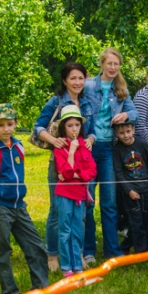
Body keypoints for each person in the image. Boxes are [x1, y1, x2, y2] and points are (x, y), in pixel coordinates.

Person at [0, 103, 49, 294]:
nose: (6, 129)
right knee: (3, 251)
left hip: (20, 206)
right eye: (1, 125)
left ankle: (41, 287)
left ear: (16, 123)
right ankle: (10, 292)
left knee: (35, 246)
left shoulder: (19, 146)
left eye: (10, 124)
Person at [33, 62, 95, 272]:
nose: (77, 82)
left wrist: (91, 140)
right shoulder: (56, 101)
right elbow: (38, 126)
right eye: (73, 78)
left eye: (80, 78)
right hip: (59, 163)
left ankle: (76, 254)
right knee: (57, 210)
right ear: (65, 81)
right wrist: (54, 139)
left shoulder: (87, 102)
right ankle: (53, 254)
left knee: (81, 208)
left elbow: (92, 129)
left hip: (83, 162)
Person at [83, 48, 138, 259]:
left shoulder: (121, 88)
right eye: (109, 64)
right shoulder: (88, 86)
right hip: (88, 149)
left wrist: (125, 113)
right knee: (88, 202)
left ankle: (112, 250)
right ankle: (88, 251)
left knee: (109, 202)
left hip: (108, 150)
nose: (113, 68)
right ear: (102, 64)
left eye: (116, 64)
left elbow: (135, 113)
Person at [53, 106, 98, 276]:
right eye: (70, 125)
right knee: (65, 230)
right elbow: (65, 172)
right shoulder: (60, 147)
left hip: (80, 194)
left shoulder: (85, 146)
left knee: (77, 229)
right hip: (64, 194)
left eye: (77, 125)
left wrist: (78, 175)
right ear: (64, 127)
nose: (74, 129)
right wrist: (71, 152)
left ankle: (77, 265)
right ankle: (66, 267)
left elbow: (92, 171)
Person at [113, 120, 148, 253]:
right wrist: (129, 190)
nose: (126, 135)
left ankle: (128, 246)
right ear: (116, 134)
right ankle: (140, 251)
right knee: (135, 221)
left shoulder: (141, 143)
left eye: (128, 131)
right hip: (131, 191)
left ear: (133, 130)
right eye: (121, 133)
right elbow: (118, 173)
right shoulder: (117, 149)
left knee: (145, 220)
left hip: (146, 188)